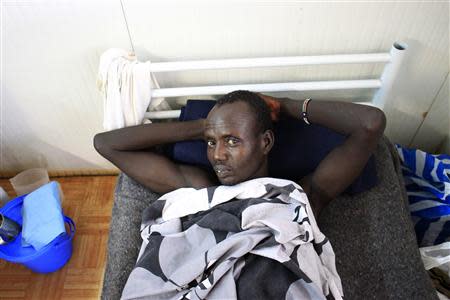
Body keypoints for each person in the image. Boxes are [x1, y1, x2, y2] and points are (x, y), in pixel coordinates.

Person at [93, 90, 386, 218]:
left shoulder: (302, 196)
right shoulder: (201, 189)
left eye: (232, 141)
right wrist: (201, 127)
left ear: (266, 142)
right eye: (211, 143)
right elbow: (106, 144)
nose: (217, 155)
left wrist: (285, 106)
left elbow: (371, 124)